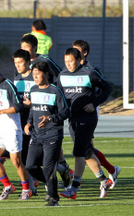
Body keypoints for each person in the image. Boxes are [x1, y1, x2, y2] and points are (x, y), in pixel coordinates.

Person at [57, 48, 112, 199]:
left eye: (71, 61)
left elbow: (106, 89)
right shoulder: (62, 75)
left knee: (79, 152)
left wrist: (94, 104)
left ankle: (74, 188)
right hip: (73, 118)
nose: (68, 64)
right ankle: (103, 181)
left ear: (78, 59)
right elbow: (59, 96)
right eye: (66, 61)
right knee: (86, 152)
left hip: (87, 118)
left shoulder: (89, 73)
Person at [21, 34, 72, 183]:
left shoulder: (45, 61)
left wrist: (52, 93)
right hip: (30, 109)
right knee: (31, 155)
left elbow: (60, 75)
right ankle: (58, 172)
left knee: (48, 151)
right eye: (22, 47)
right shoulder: (21, 63)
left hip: (49, 109)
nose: (23, 50)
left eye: (26, 47)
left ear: (34, 48)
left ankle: (54, 177)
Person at [72, 40, 120, 188]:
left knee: (84, 147)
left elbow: (104, 87)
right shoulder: (71, 69)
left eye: (77, 51)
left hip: (90, 110)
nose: (74, 54)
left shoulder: (92, 69)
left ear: (84, 53)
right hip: (77, 111)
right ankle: (111, 170)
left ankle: (80, 181)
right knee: (86, 147)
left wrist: (94, 103)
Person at [0, 63, 32, 201]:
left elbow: (18, 106)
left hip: (12, 129)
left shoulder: (9, 85)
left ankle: (26, 189)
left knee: (16, 162)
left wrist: (1, 111)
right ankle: (8, 186)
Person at [24, 61, 70, 206]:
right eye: (33, 74)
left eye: (38, 74)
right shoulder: (33, 90)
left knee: (49, 166)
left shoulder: (55, 91)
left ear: (46, 74)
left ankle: (53, 198)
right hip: (37, 135)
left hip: (53, 134)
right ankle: (51, 184)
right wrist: (29, 122)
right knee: (30, 166)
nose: (35, 77)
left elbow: (66, 111)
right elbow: (33, 109)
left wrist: (50, 118)